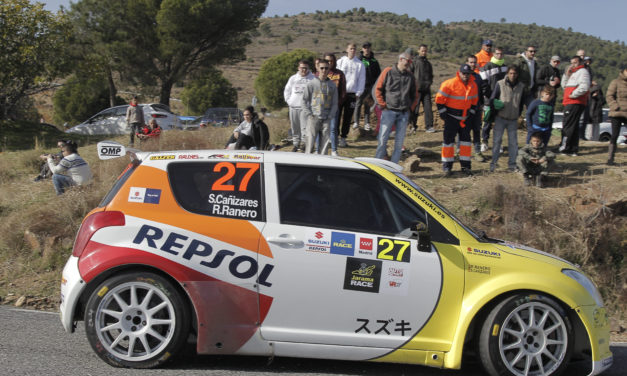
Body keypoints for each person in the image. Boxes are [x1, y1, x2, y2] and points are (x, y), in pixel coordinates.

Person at [374, 52, 418, 163]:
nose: (409, 63)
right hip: (389, 111)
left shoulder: (410, 76)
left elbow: (415, 95)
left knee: (399, 143)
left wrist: (410, 108)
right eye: (408, 61)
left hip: (403, 113)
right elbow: (378, 89)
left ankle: (394, 167)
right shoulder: (388, 72)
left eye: (410, 61)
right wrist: (382, 105)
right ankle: (378, 165)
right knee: (382, 140)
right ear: (401, 59)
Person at [435, 64, 478, 176]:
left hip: (465, 119)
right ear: (459, 73)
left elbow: (474, 101)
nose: (465, 75)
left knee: (465, 144)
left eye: (468, 73)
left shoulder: (473, 85)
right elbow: (439, 100)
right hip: (451, 118)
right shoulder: (449, 83)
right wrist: (444, 114)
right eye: (464, 73)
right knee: (448, 143)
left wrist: (471, 115)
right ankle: (447, 167)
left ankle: (465, 166)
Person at [489, 66, 525, 172]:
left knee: (513, 143)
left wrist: (518, 114)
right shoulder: (500, 84)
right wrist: (495, 112)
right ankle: (493, 164)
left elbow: (521, 102)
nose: (513, 75)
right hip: (500, 117)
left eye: (514, 73)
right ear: (507, 73)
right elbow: (493, 99)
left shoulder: (521, 86)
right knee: (496, 142)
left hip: (513, 119)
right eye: (511, 73)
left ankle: (512, 165)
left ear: (517, 74)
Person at [302, 60, 338, 155]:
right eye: (322, 68)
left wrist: (330, 116)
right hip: (314, 118)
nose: (324, 70)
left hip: (326, 119)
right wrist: (309, 114)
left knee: (324, 147)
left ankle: (322, 166)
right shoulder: (311, 84)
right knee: (309, 144)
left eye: (326, 68)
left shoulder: (332, 85)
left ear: (329, 69)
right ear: (318, 68)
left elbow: (335, 103)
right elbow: (304, 100)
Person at [558, 55, 590, 156]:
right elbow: (564, 86)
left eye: (575, 62)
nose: (573, 65)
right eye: (571, 63)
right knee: (574, 126)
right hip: (569, 101)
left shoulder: (583, 72)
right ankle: (573, 149)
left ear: (580, 62)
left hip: (574, 102)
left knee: (567, 125)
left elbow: (584, 86)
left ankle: (565, 148)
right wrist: (566, 75)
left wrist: (573, 95)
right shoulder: (573, 72)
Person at [336, 43, 366, 147]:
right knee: (337, 115)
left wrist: (358, 93)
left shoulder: (359, 64)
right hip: (340, 93)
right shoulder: (340, 62)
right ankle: (334, 136)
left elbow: (362, 79)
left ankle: (343, 137)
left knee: (348, 117)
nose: (352, 50)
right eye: (351, 49)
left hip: (351, 94)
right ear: (347, 49)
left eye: (354, 49)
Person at [479, 46, 508, 152]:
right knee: (486, 121)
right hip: (489, 99)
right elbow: (483, 83)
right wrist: (489, 95)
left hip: (501, 100)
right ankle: (484, 142)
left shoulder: (505, 67)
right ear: (493, 54)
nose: (499, 56)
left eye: (501, 54)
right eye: (497, 54)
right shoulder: (487, 66)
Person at [284, 60, 315, 151]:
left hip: (305, 108)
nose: (304, 70)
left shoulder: (312, 79)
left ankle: (304, 144)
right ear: (298, 68)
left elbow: (315, 93)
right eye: (302, 68)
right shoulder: (293, 78)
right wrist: (289, 101)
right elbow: (287, 90)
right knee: (295, 127)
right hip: (293, 107)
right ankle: (296, 144)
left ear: (308, 68)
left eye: (306, 68)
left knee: (304, 127)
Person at [466, 55, 490, 161]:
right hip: (464, 109)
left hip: (476, 108)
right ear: (467, 63)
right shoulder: (462, 77)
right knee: (463, 131)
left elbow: (484, 89)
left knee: (476, 130)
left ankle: (477, 152)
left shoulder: (478, 77)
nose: (472, 64)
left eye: (474, 62)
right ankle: (459, 151)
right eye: (470, 62)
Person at [353, 42, 381, 131]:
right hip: (361, 86)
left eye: (368, 47)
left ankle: (367, 123)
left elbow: (378, 75)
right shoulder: (358, 60)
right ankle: (356, 122)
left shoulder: (374, 61)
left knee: (368, 105)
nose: (366, 49)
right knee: (358, 104)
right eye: (365, 48)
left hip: (371, 86)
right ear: (362, 49)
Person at [324, 53, 347, 157]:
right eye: (327, 61)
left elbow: (342, 91)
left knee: (333, 128)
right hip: (321, 107)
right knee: (321, 128)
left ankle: (334, 150)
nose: (329, 63)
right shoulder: (320, 73)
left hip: (334, 106)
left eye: (331, 61)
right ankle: (320, 149)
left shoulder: (340, 74)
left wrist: (337, 104)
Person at [409, 44, 434, 133]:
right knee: (415, 108)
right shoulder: (414, 62)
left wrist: (429, 83)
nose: (424, 52)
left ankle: (429, 126)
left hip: (426, 89)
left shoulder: (428, 63)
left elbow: (431, 75)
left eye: (425, 51)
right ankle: (413, 126)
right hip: (416, 89)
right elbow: (410, 73)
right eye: (422, 50)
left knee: (428, 108)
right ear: (418, 51)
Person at [605, 66, 627, 165]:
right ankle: (610, 159)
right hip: (617, 113)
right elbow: (609, 95)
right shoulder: (615, 82)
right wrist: (615, 106)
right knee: (614, 135)